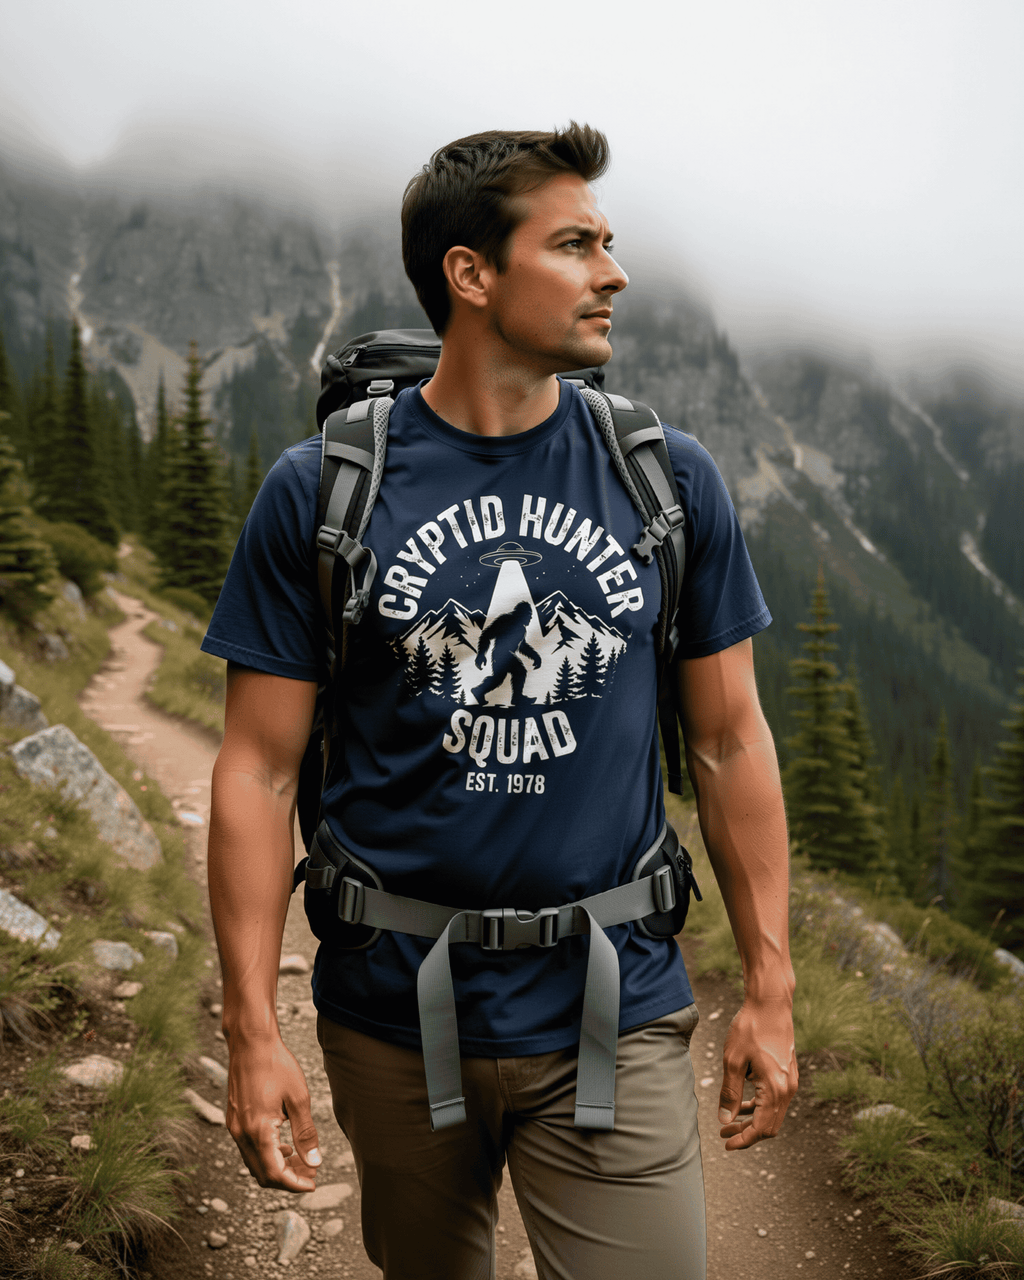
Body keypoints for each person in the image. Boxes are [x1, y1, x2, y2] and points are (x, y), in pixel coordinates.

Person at [203, 123, 797, 1280]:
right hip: (388, 1010)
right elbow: (256, 769)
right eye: (575, 244)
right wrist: (249, 1027)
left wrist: (772, 989)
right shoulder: (322, 489)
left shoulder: (665, 478)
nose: (612, 273)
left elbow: (729, 743)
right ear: (470, 274)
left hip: (614, 1004)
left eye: (608, 243)